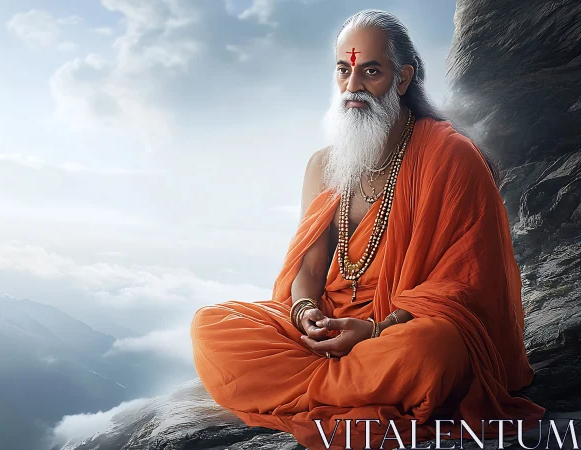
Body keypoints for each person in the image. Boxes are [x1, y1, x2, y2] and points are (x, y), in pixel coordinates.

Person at [189, 9, 545, 449]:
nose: (353, 86)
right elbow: (310, 269)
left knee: (432, 350)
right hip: (328, 325)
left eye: (370, 71)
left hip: (397, 331)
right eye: (344, 70)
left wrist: (375, 332)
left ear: (403, 78)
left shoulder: (452, 157)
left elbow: (466, 285)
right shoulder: (324, 165)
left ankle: (314, 389)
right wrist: (306, 314)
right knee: (212, 326)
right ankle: (351, 387)